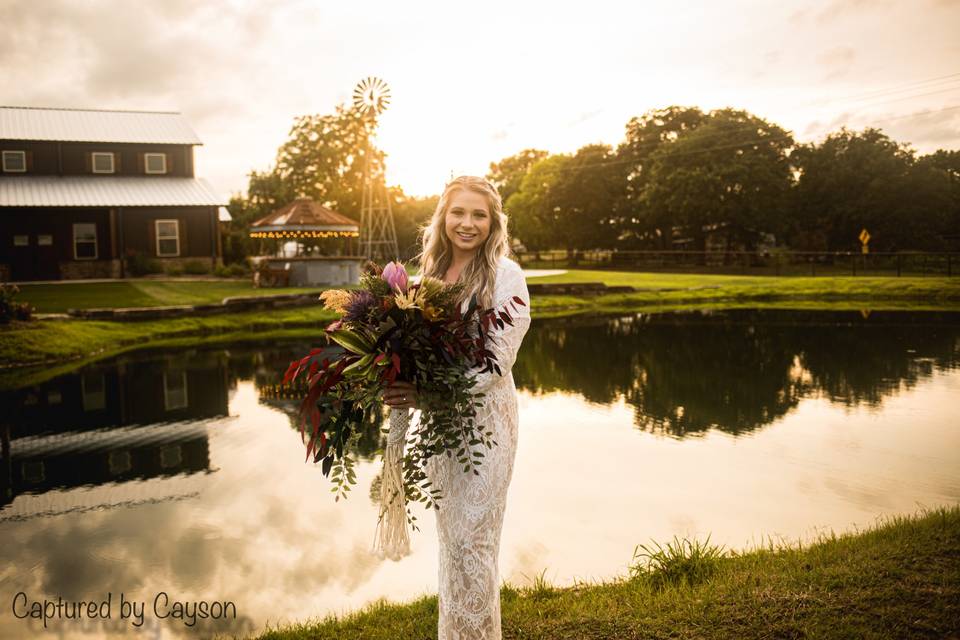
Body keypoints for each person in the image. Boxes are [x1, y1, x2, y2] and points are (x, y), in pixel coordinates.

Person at [381, 175, 531, 639]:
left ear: (493, 223)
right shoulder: (423, 282)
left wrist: (424, 394)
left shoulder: (507, 276)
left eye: (478, 215)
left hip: (488, 428)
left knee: (475, 542)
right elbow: (415, 356)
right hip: (443, 432)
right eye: (458, 213)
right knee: (452, 543)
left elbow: (496, 364)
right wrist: (391, 378)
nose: (467, 224)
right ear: (442, 219)